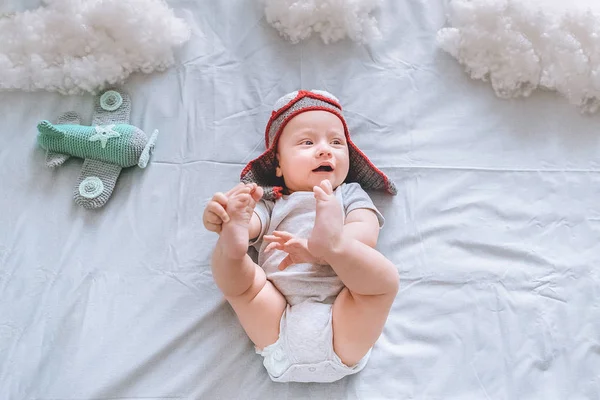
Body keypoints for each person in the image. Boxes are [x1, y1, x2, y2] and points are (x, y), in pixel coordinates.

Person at [202, 90, 399, 383]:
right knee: (244, 285)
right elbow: (256, 223)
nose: (325, 150)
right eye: (307, 142)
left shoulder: (348, 194)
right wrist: (234, 221)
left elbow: (365, 231)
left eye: (336, 142)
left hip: (342, 315)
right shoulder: (272, 202)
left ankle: (332, 245)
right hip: (278, 315)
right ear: (278, 165)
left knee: (382, 282)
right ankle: (230, 248)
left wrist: (325, 250)